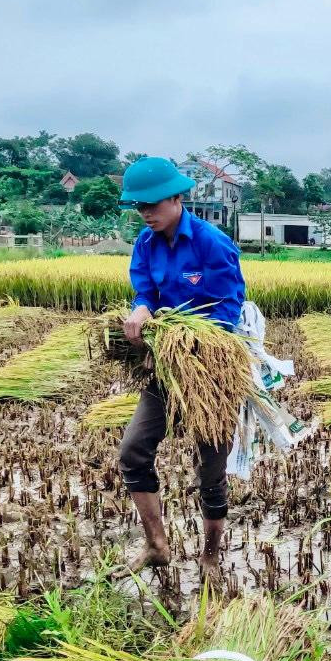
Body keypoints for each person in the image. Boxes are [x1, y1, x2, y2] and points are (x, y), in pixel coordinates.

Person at [116, 156, 246, 582]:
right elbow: (145, 291)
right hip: (165, 367)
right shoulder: (145, 243)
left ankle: (210, 556)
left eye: (153, 203)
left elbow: (229, 306)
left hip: (211, 372)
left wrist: (192, 337)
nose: (146, 212)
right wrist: (141, 310)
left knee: (211, 468)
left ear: (177, 198)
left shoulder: (211, 242)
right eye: (139, 206)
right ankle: (157, 545)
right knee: (133, 452)